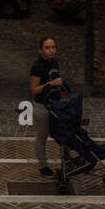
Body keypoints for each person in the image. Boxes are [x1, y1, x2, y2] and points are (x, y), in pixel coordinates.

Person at [29, 35, 65, 176]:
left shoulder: (54, 62)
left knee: (64, 131)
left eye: (53, 47)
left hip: (55, 104)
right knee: (42, 137)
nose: (51, 50)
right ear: (41, 50)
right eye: (47, 48)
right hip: (42, 106)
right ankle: (43, 166)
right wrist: (51, 84)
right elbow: (34, 89)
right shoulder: (37, 66)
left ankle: (67, 159)